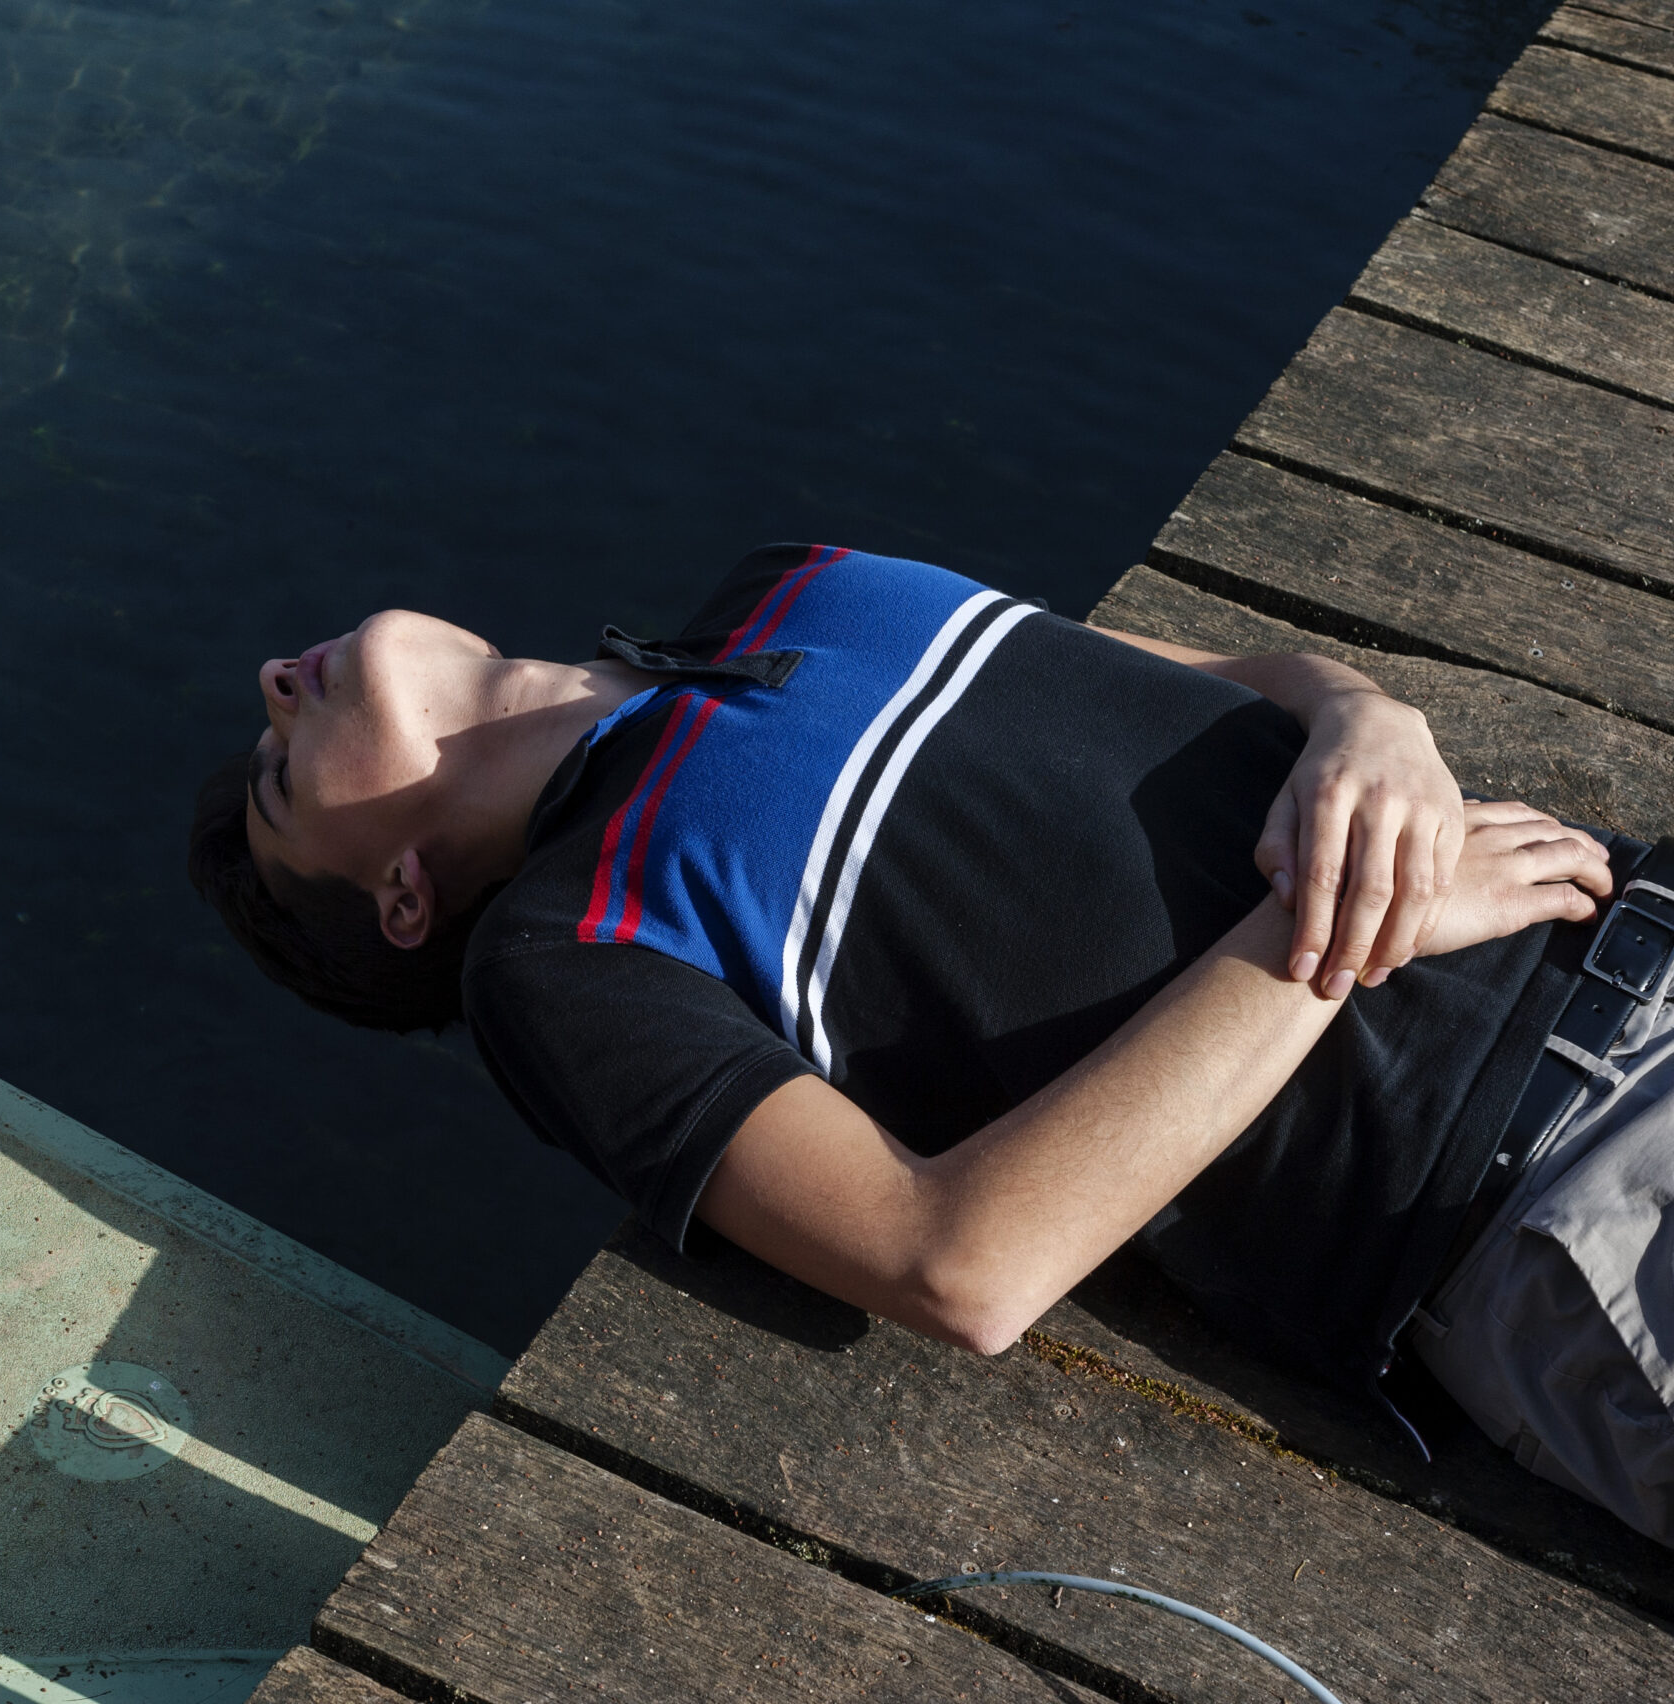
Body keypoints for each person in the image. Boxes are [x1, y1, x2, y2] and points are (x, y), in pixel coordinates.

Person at [187, 544, 1674, 1543]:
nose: (273, 683)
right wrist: (1334, 940)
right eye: (280, 780)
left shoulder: (789, 582)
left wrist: (1372, 719)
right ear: (400, 896)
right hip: (1550, 1200)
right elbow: (960, 1264)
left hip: (1634, 912)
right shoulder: (563, 956)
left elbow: (1227, 673)